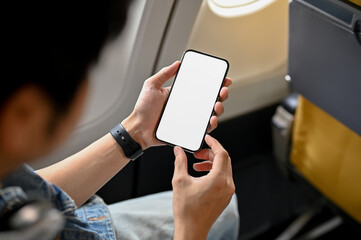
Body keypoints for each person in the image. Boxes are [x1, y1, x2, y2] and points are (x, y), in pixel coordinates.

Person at [0, 1, 239, 239]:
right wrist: (191, 228)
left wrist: (137, 130)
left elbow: (30, 192)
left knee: (227, 212)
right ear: (24, 113)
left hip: (77, 226)